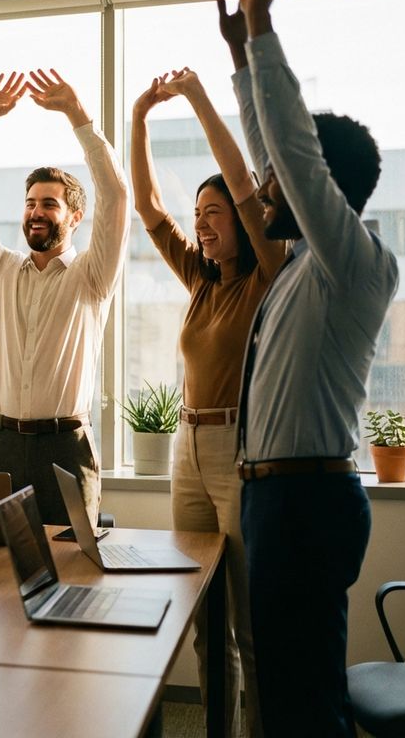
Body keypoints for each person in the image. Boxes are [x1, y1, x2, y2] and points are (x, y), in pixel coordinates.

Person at [219, 0, 399, 734]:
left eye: (284, 183)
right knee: (288, 692)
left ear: (326, 187)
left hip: (306, 504)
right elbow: (278, 157)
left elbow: (292, 155)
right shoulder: (301, 265)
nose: (263, 193)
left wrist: (264, 32)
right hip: (276, 498)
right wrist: (239, 61)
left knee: (304, 701)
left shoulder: (354, 263)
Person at [131, 67, 286, 737]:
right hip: (185, 452)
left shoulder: (267, 278)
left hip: (236, 451)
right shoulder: (198, 277)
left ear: (241, 221)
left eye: (213, 213)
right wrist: (137, 118)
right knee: (203, 618)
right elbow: (147, 208)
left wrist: (197, 102)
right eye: (199, 217)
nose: (201, 225)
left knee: (249, 622)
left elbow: (250, 192)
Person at [0, 69, 129, 527]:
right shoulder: (2, 269)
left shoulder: (92, 274)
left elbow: (117, 196)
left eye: (49, 204)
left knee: (76, 570)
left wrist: (78, 117)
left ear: (75, 216)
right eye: (30, 203)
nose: (36, 212)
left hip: (65, 446)